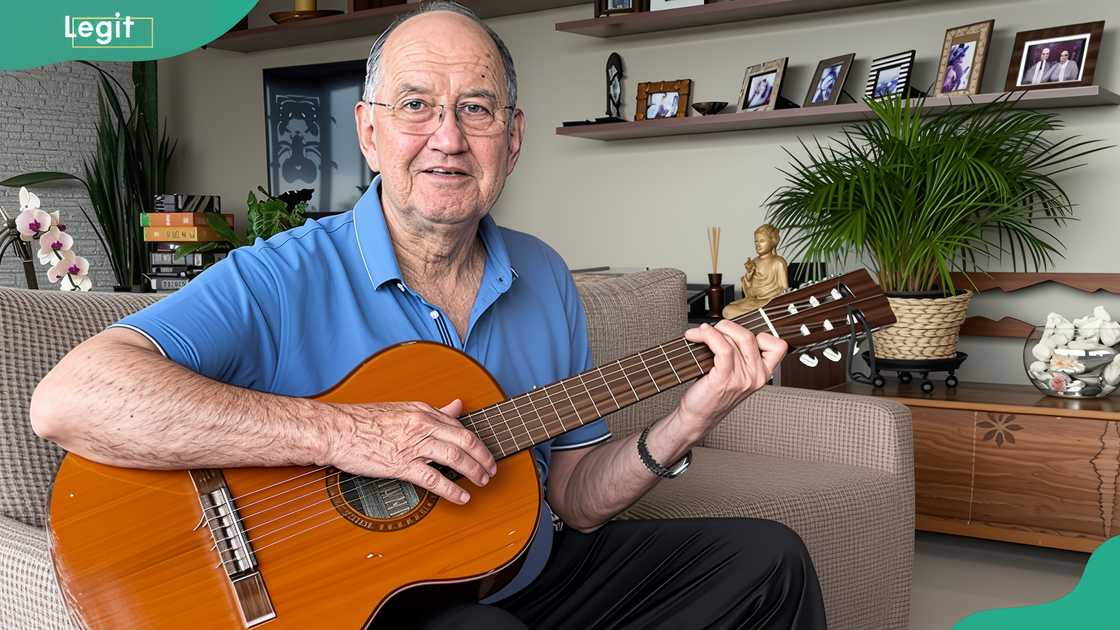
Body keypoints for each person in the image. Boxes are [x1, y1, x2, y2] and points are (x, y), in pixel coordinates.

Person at [30, 3, 826, 629]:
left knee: (770, 561)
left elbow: (576, 498)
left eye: (477, 109)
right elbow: (70, 398)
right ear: (369, 133)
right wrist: (345, 434)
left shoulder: (545, 277)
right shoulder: (282, 273)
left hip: (527, 575)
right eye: (417, 106)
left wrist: (687, 421)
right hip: (370, 603)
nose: (447, 137)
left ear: (511, 141)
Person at [722, 224, 789, 320]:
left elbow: (785, 290)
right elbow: (750, 293)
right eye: (756, 241)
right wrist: (749, 274)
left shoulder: (778, 262)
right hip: (755, 301)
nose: (758, 245)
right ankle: (757, 317)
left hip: (769, 303)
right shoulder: (754, 261)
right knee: (727, 309)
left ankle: (757, 316)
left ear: (773, 241)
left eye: (762, 241)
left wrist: (771, 300)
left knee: (730, 312)